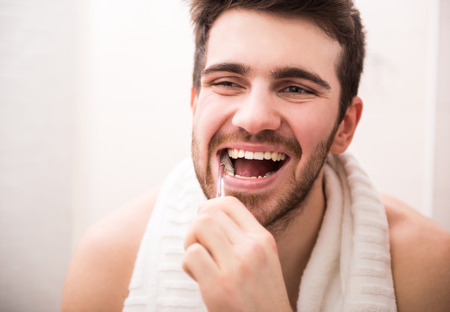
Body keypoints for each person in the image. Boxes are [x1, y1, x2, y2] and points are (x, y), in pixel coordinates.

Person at [61, 0, 450, 311]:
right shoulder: (109, 263)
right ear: (195, 104)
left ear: (345, 126)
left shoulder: (429, 269)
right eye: (227, 82)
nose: (253, 118)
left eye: (296, 88)